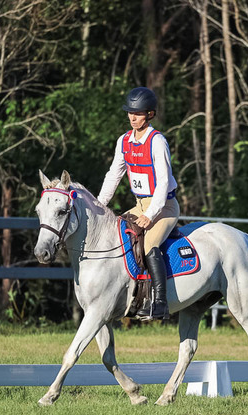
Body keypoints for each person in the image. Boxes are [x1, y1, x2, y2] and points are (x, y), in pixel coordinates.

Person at [97, 87, 179, 320]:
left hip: (164, 207)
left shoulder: (157, 142)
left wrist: (151, 215)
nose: (133, 117)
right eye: (130, 113)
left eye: (138, 113)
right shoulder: (123, 141)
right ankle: (126, 295)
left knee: (149, 244)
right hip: (139, 204)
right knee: (116, 235)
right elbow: (114, 175)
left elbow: (163, 182)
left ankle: (160, 303)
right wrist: (99, 205)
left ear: (150, 114)